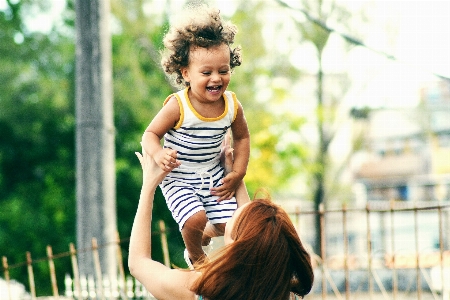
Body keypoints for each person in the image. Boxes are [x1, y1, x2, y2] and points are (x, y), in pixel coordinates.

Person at [141, 5, 250, 267]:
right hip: (179, 176)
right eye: (206, 72)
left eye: (223, 70)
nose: (216, 78)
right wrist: (159, 153)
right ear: (186, 73)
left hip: (212, 173)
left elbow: (243, 138)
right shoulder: (178, 106)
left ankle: (205, 234)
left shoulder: (232, 105)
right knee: (194, 219)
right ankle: (197, 259)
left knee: (230, 225)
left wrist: (238, 173)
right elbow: (150, 134)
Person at [129, 147, 314, 300]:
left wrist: (149, 185)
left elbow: (138, 263)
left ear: (236, 246)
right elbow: (254, 234)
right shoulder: (283, 293)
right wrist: (232, 175)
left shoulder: (198, 290)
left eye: (232, 218)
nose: (227, 217)